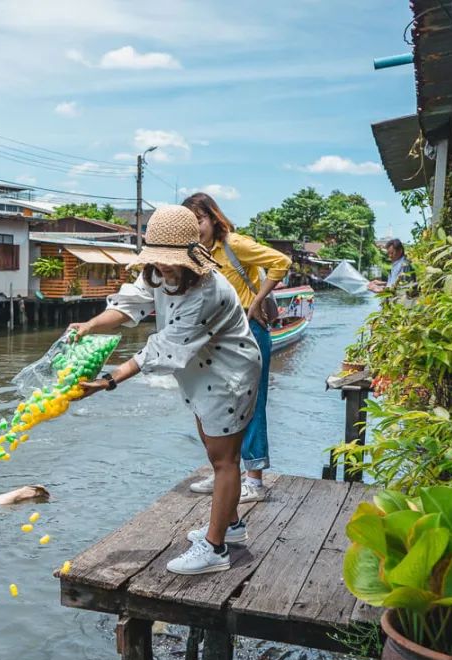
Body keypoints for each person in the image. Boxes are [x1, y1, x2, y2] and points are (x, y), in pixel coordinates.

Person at [70, 205, 262, 576]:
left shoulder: (208, 291)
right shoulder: (158, 275)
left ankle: (216, 547)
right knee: (213, 450)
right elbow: (130, 307)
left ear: (193, 254)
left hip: (228, 375)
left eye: (171, 261)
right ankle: (232, 526)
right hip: (200, 373)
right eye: (158, 261)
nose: (164, 267)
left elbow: (162, 347)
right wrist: (90, 325)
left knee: (226, 461)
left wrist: (109, 381)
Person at [181, 192, 291, 503]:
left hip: (248, 329)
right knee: (210, 404)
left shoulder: (235, 244)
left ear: (214, 219)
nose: (196, 228)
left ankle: (254, 480)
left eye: (199, 220)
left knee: (251, 406)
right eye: (190, 223)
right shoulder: (195, 253)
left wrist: (257, 301)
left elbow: (281, 262)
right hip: (214, 335)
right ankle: (223, 473)